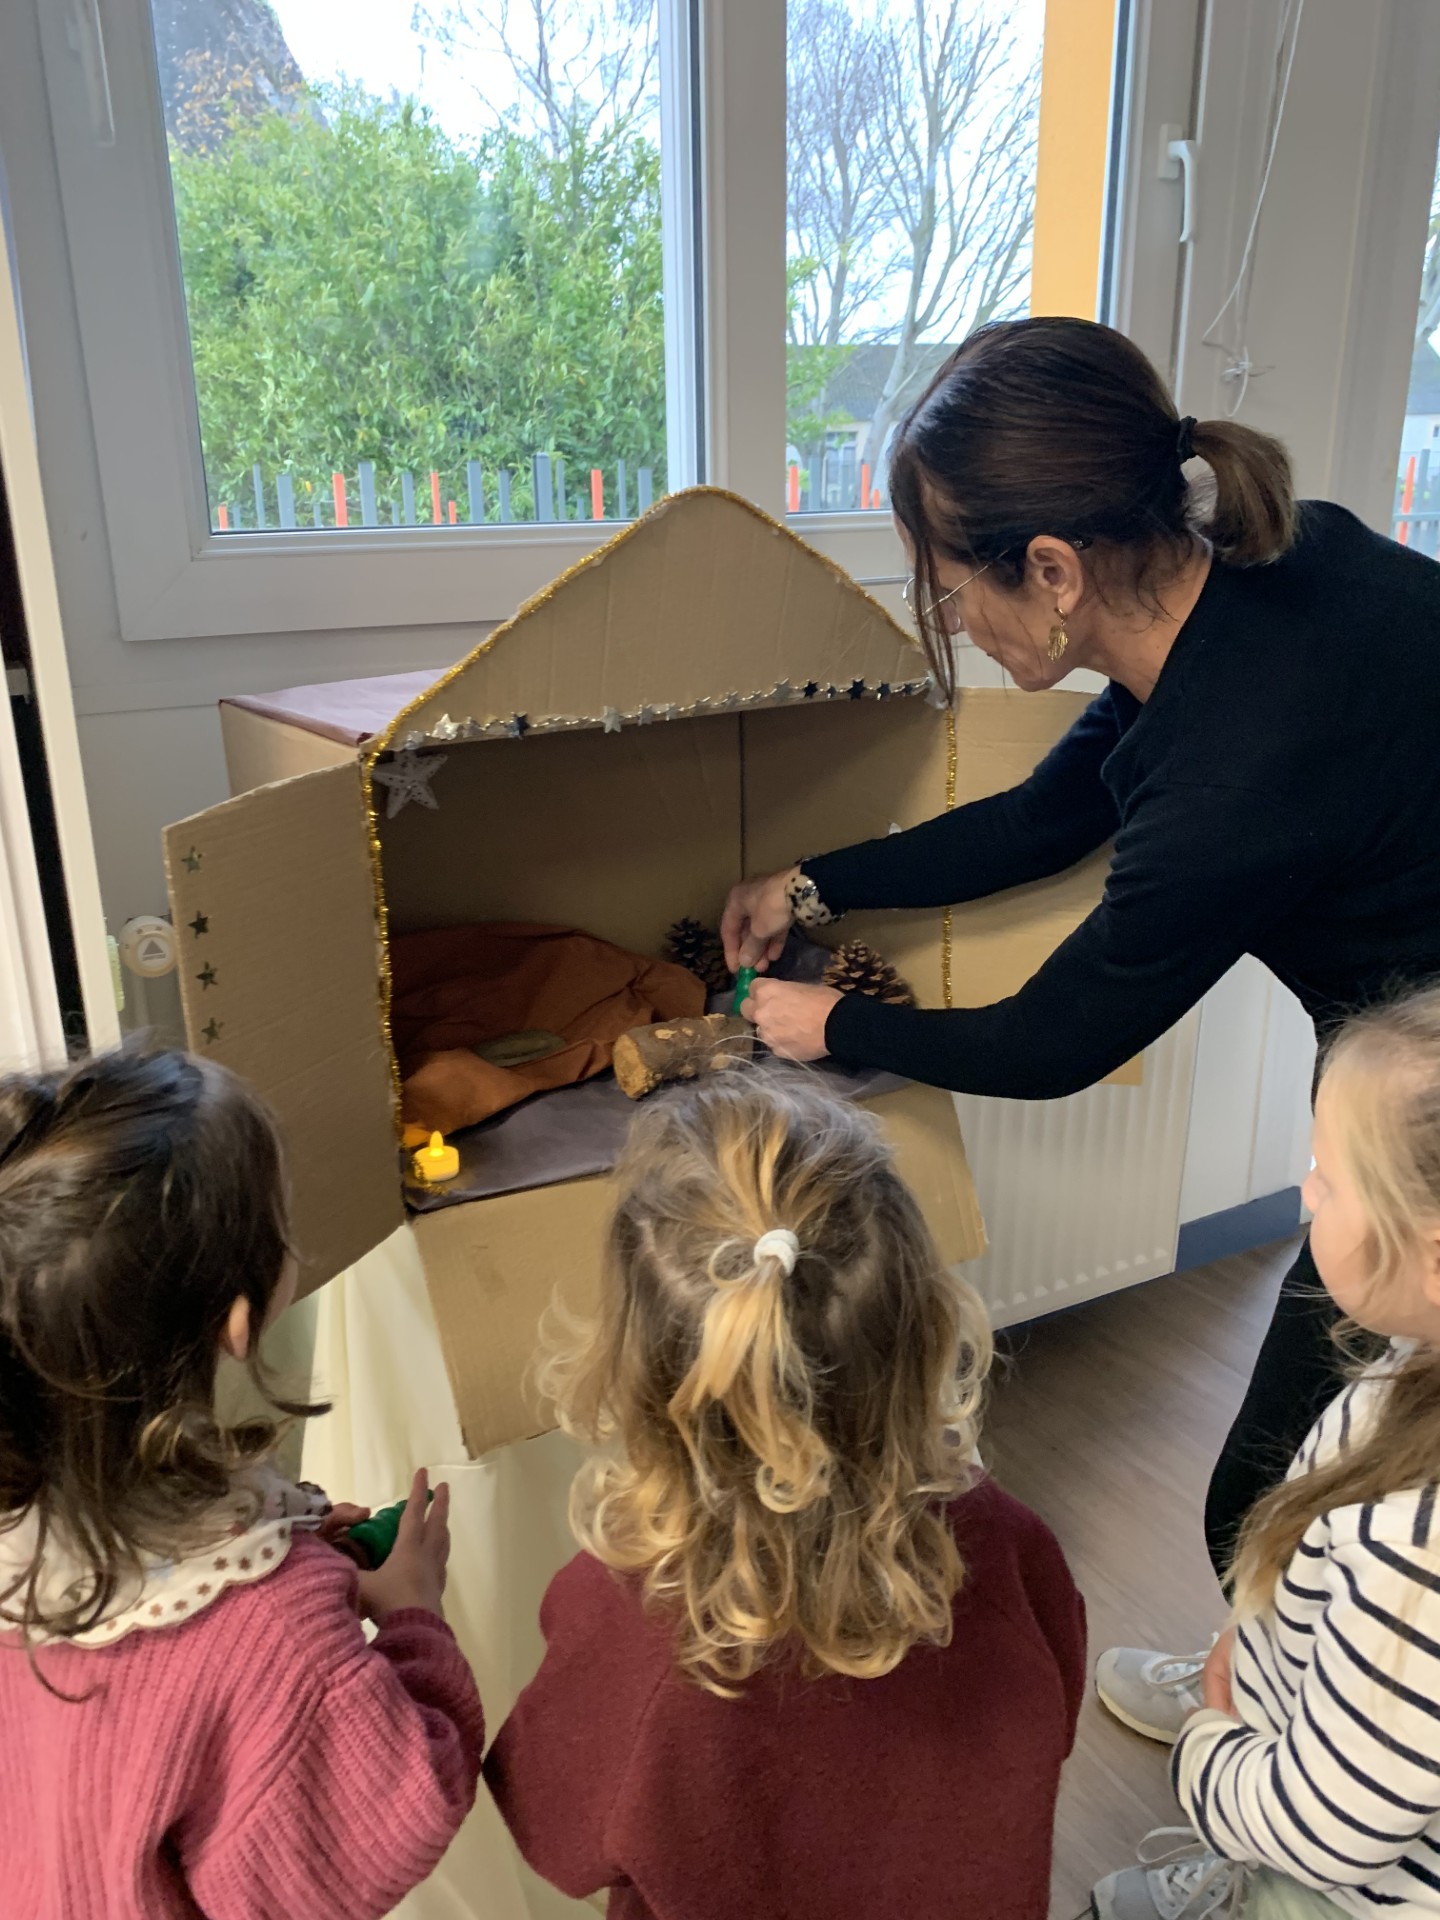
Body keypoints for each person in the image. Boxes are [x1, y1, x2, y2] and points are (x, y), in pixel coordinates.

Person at [721, 314, 1440, 1715]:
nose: (957, 626)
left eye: (950, 591)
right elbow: (1048, 816)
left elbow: (1051, 1042)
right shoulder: (1246, 581)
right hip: (1401, 1043)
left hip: (1420, 1094)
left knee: (1274, 1497)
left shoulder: (1236, 768)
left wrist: (830, 1029)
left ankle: (1296, 1765)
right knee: (1319, 1479)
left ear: (1052, 571)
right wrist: (810, 884)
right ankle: (1294, 1704)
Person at [483, 1072, 1085, 1920]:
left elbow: (552, 1829)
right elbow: (1052, 1725)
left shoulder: (629, 1610)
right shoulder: (1012, 1547)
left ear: (636, 1369)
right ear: (923, 1330)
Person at [0, 1047, 483, 1920]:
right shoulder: (275, 1624)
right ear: (238, 1319)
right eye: (280, 1222)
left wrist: (304, 1562)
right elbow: (397, 1809)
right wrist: (413, 1614)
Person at [1095, 984, 1440, 1919]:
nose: (1304, 1189)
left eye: (1327, 1177)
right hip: (1330, 1721)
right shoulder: (1413, 1352)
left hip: (1348, 1887)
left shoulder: (1415, 1548)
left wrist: (1209, 1751)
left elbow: (1334, 1828)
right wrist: (1262, 1651)